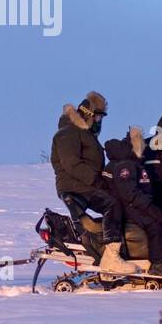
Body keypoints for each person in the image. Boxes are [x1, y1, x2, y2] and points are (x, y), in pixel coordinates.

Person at [49, 91, 131, 275]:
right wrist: (97, 180)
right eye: (98, 117)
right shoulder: (68, 132)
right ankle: (111, 257)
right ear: (88, 114)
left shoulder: (83, 133)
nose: (100, 121)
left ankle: (118, 249)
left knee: (122, 204)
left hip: (83, 184)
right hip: (76, 186)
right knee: (113, 204)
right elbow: (72, 163)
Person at [102, 127, 162, 278]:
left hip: (130, 204)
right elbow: (129, 193)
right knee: (155, 223)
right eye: (140, 143)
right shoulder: (126, 164)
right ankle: (157, 264)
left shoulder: (131, 161)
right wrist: (150, 208)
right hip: (128, 206)